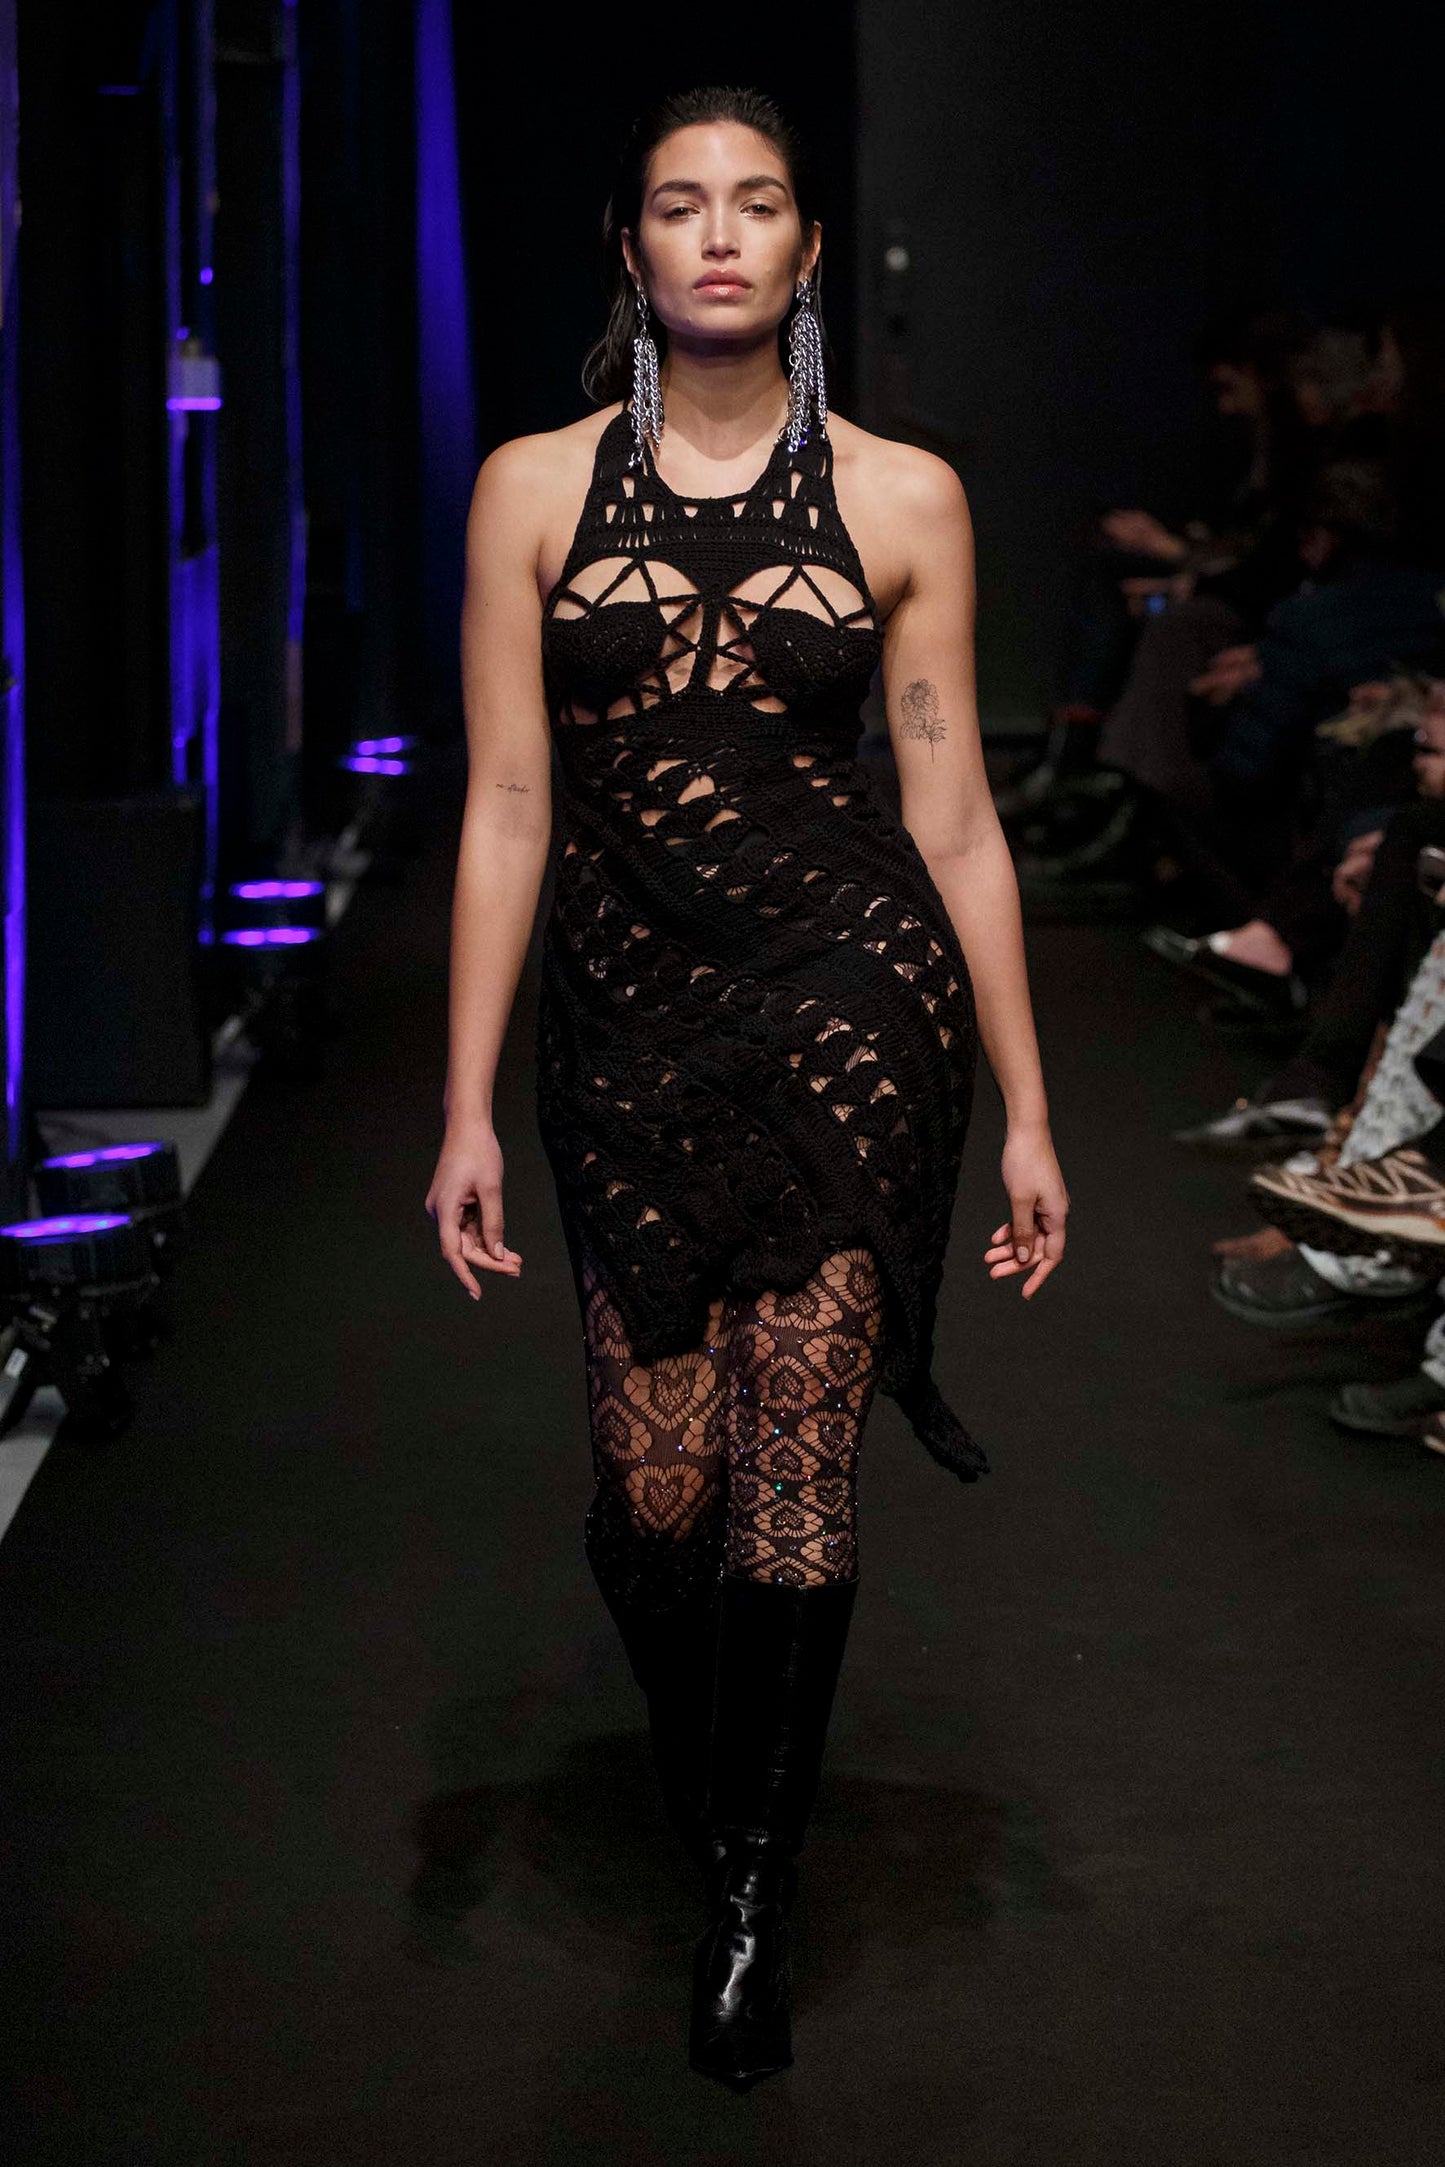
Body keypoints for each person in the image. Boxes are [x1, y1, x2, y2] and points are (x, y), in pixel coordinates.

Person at [424, 85, 1068, 2089]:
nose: (718, 234)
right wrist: (463, 1108)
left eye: (758, 203)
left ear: (803, 248)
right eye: (680, 205)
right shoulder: (531, 489)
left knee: (797, 1472)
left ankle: (747, 1898)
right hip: (623, 1027)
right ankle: (725, 1798)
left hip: (846, 1009)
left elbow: (952, 820)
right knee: (655, 1496)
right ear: (629, 248)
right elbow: (508, 803)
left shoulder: (904, 497)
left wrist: (1030, 1110)